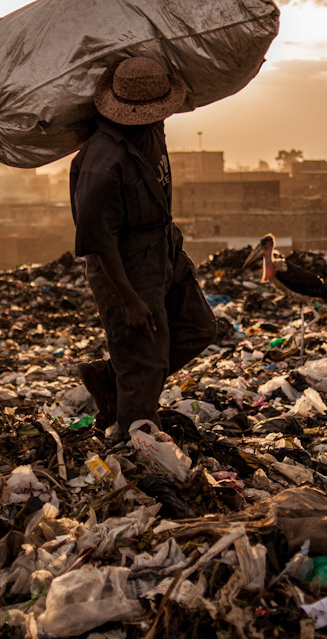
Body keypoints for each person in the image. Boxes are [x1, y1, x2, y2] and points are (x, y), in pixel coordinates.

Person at [70, 57, 216, 440]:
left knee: (199, 326)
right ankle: (134, 443)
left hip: (164, 249)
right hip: (126, 268)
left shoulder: (151, 131)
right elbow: (98, 243)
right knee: (143, 360)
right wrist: (129, 300)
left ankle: (111, 378)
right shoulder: (102, 164)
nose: (161, 117)